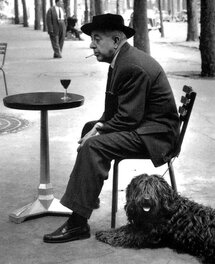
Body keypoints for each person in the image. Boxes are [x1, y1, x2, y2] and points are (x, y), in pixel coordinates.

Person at [43, 13, 180, 243]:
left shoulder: (132, 66)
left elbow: (127, 118)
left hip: (155, 136)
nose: (91, 44)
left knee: (94, 147)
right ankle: (87, 197)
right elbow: (114, 107)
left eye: (97, 39)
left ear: (116, 41)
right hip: (146, 127)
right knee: (90, 128)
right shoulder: (122, 60)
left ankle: (77, 223)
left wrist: (99, 132)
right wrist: (97, 126)